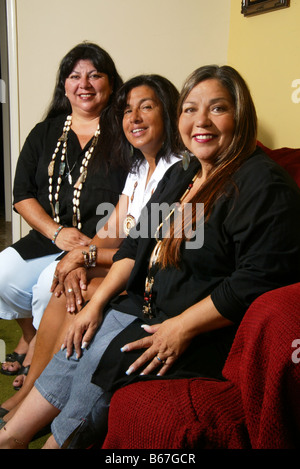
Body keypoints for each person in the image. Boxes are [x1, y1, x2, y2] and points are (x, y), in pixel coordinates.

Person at [1, 64, 300, 449]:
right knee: (80, 340)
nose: (201, 121)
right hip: (149, 307)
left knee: (103, 358)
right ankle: (12, 435)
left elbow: (255, 280)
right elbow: (137, 243)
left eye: (218, 108)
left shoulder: (261, 183)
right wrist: (97, 304)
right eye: (191, 109)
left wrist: (182, 327)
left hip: (202, 330)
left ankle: (56, 444)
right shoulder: (189, 175)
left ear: (241, 115)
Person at [0, 75, 180, 417]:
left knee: (83, 289)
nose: (135, 118)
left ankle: (42, 406)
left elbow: (152, 252)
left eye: (147, 107)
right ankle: (30, 394)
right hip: (128, 259)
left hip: (152, 270)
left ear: (168, 113)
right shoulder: (140, 165)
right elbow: (115, 227)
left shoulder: (178, 170)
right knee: (66, 280)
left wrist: (88, 254)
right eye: (128, 110)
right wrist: (77, 259)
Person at [0, 42, 127, 386]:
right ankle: (29, 337)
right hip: (48, 237)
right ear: (64, 85)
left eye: (95, 75)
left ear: (111, 84)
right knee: (3, 273)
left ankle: (41, 369)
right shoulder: (45, 132)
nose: (84, 84)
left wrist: (85, 252)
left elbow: (134, 199)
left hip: (95, 243)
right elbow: (21, 195)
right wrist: (56, 233)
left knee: (48, 289)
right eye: (74, 76)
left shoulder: (125, 132)